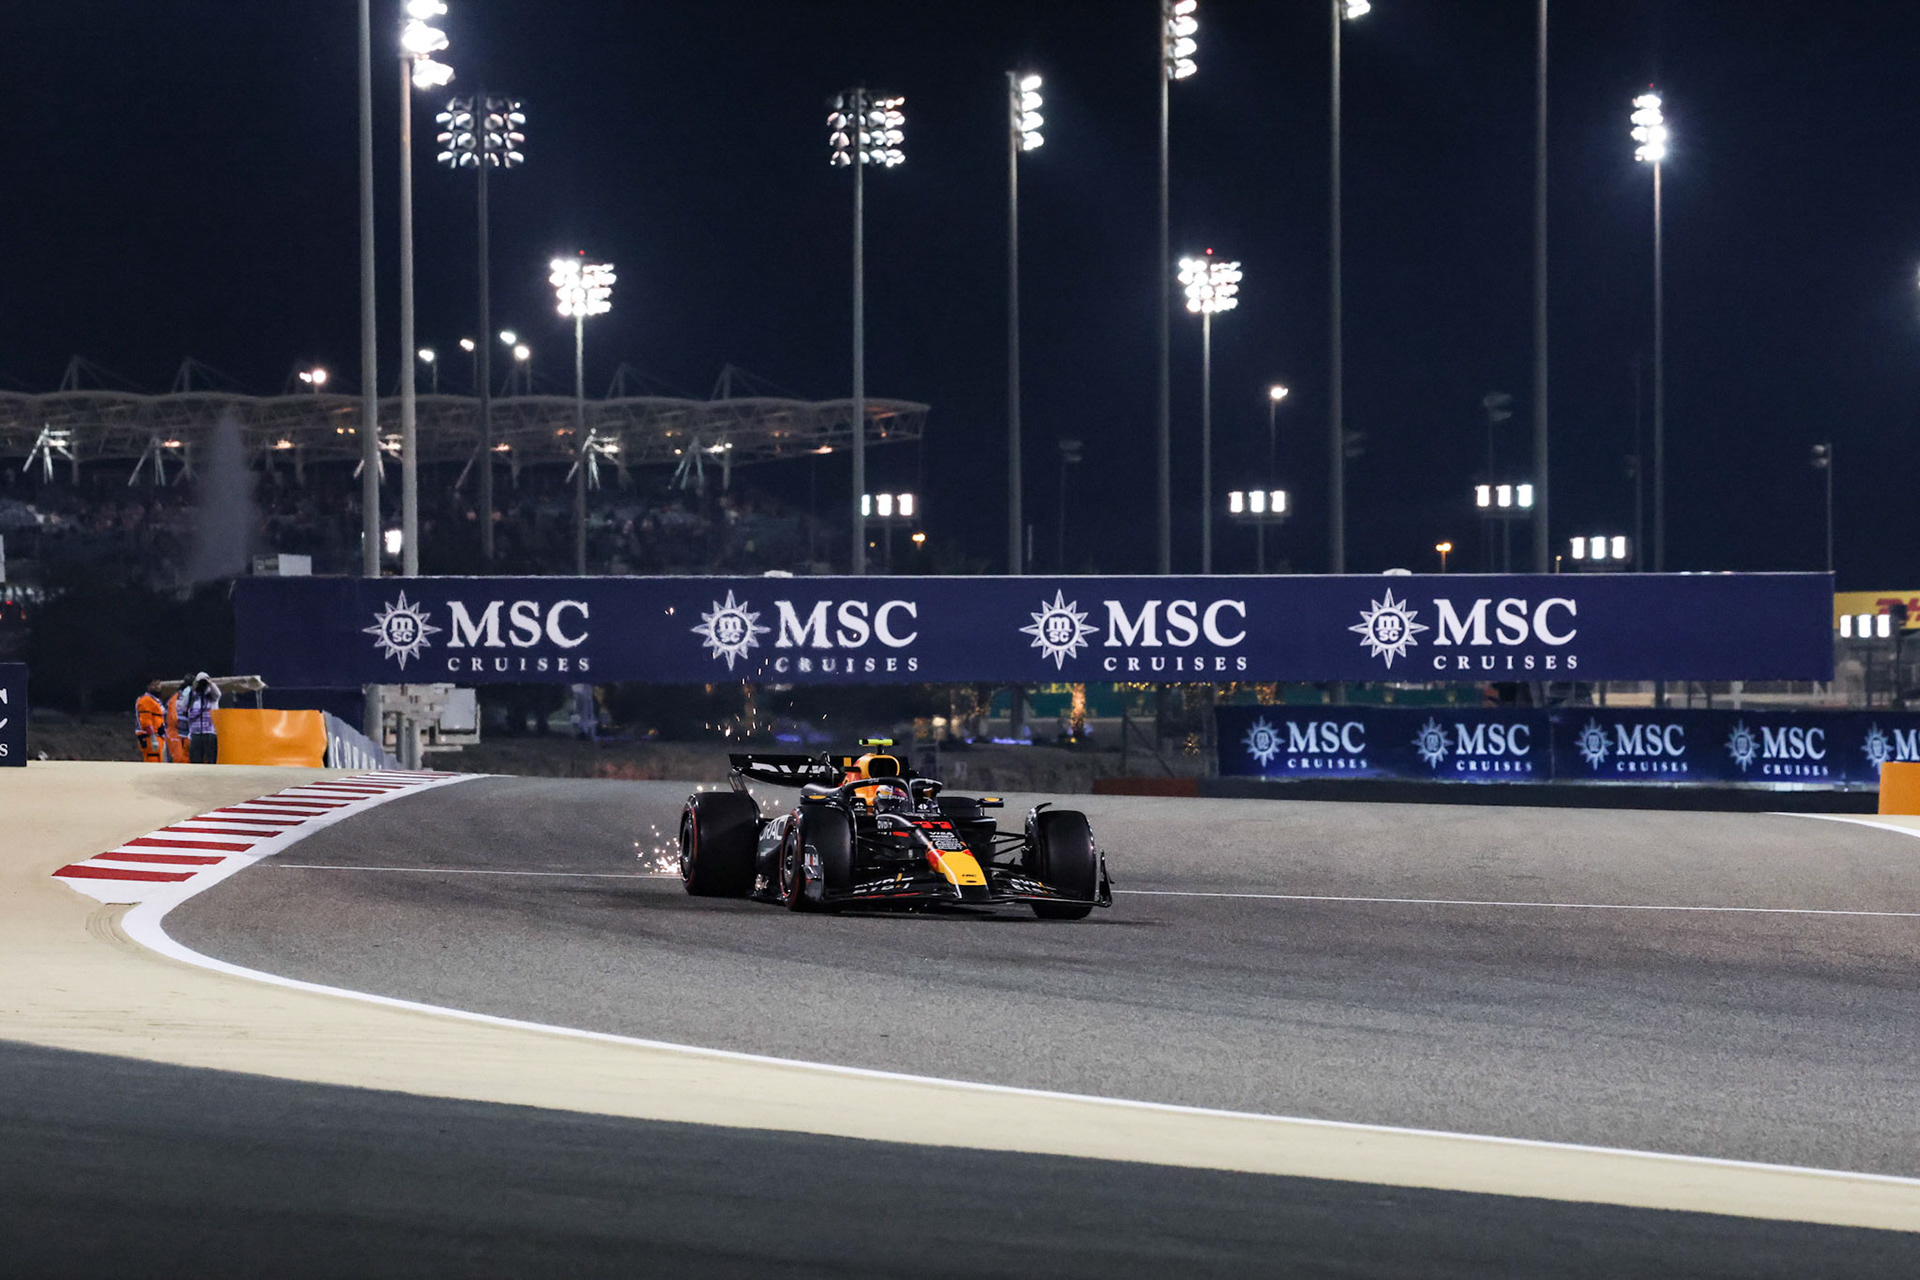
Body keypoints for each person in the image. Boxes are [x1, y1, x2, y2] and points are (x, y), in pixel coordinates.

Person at [179, 672, 220, 764]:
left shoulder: (212, 696)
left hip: (210, 733)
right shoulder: (191, 696)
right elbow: (182, 707)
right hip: (195, 733)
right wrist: (192, 689)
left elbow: (218, 694)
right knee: (195, 761)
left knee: (211, 760)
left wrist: (210, 683)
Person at [164, 675, 193, 763]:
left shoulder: (175, 697)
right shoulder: (176, 698)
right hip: (177, 733)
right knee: (180, 759)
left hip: (184, 734)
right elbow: (172, 718)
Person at [134, 688, 167, 764]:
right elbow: (146, 722)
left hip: (157, 736)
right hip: (151, 737)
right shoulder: (146, 700)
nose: (158, 687)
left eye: (158, 684)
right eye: (154, 685)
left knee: (158, 761)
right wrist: (153, 738)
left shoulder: (154, 700)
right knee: (153, 761)